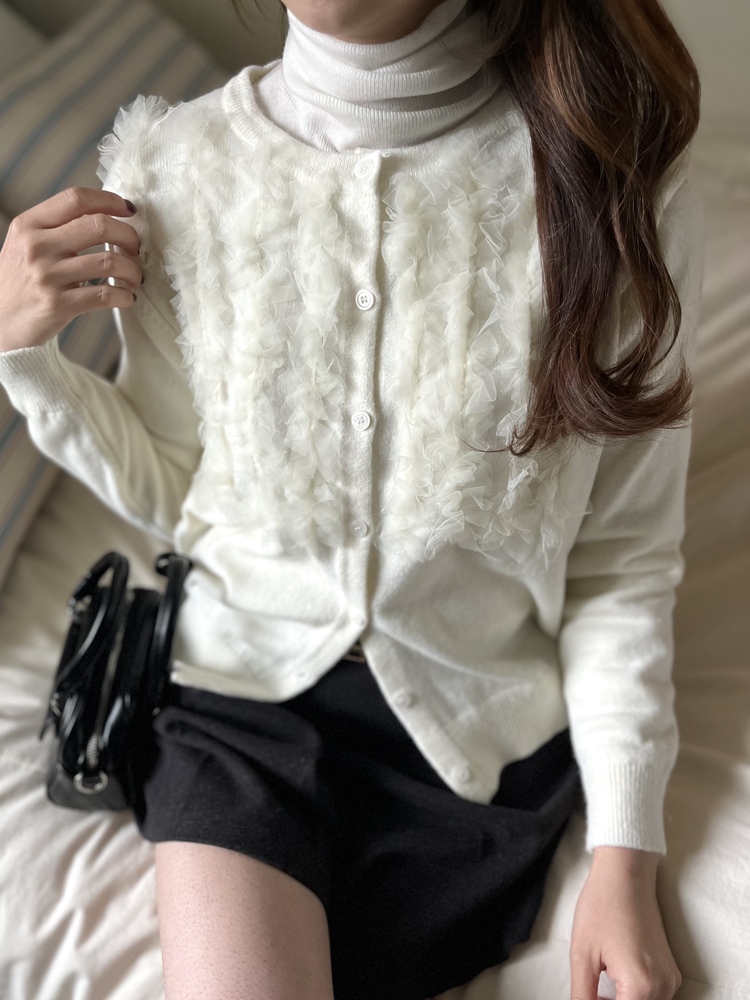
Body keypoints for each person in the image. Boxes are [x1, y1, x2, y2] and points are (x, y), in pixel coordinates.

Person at [0, 0, 705, 997]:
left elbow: (621, 562)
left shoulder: (619, 190)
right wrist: (25, 359)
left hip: (474, 748)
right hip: (235, 704)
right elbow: (183, 487)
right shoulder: (173, 168)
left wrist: (625, 858)